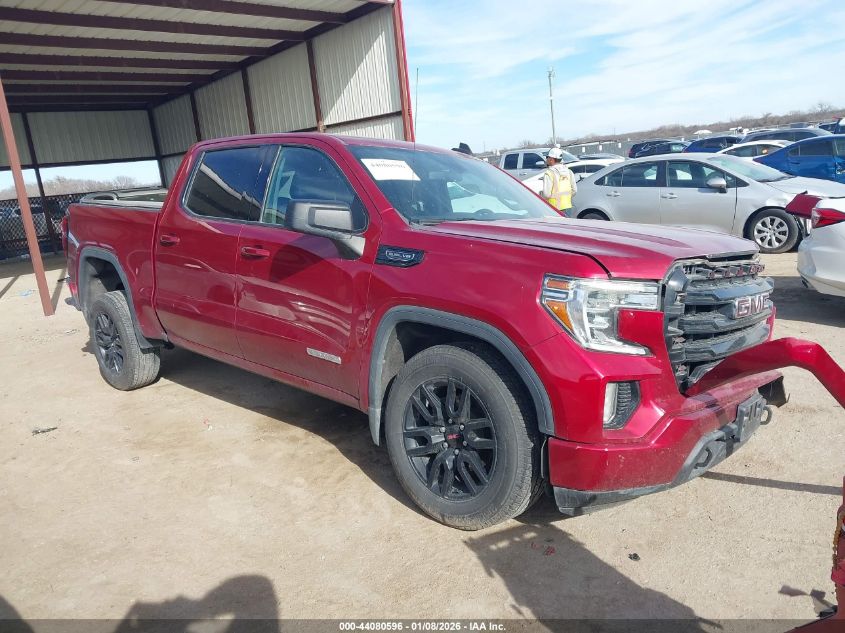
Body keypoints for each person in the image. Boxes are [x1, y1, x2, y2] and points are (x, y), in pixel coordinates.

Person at [541, 147, 577, 214]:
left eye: (547, 157)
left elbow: (546, 194)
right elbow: (574, 190)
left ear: (551, 159)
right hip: (568, 206)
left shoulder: (549, 173)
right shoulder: (569, 171)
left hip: (554, 208)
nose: (546, 159)